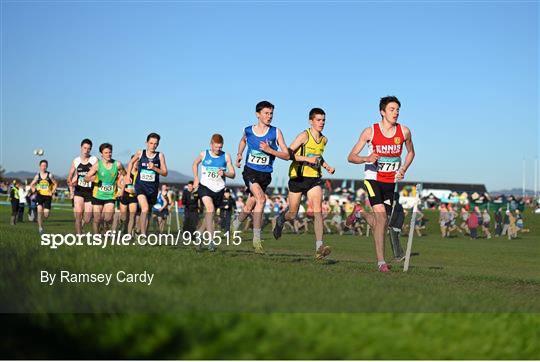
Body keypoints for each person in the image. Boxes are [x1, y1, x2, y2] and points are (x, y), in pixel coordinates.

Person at [346, 96, 415, 272]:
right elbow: (351, 157)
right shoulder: (370, 132)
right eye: (392, 109)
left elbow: (411, 153)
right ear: (382, 112)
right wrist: (366, 158)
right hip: (373, 178)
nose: (396, 113)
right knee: (382, 218)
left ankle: (360, 214)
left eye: (398, 109)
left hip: (390, 181)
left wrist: (403, 169)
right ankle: (381, 263)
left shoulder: (404, 131)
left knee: (381, 223)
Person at [273, 107, 336, 260]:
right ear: (311, 121)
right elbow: (288, 154)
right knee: (292, 213)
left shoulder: (324, 140)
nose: (321, 123)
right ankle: (281, 219)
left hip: (314, 179)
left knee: (317, 211)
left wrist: (326, 166)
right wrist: (307, 159)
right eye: (318, 120)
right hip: (298, 178)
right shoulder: (304, 136)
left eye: (323, 120)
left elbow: (318, 156)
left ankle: (319, 247)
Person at [233, 101, 289, 253]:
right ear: (258, 114)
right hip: (250, 171)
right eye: (266, 113)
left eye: (271, 113)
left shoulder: (276, 132)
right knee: (261, 199)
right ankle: (256, 240)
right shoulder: (248, 130)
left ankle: (236, 223)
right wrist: (239, 154)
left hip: (265, 174)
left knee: (249, 205)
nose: (269, 116)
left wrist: (270, 150)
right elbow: (243, 140)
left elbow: (286, 154)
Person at [192, 134, 235, 251]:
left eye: (220, 147)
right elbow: (195, 163)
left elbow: (233, 174)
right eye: (216, 147)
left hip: (219, 190)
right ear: (211, 145)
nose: (218, 149)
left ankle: (199, 234)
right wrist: (196, 178)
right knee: (210, 209)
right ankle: (211, 241)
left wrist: (225, 173)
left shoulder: (226, 156)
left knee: (210, 216)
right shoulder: (204, 154)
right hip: (205, 187)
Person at [126, 133, 168, 237]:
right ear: (146, 143)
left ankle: (141, 231)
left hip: (152, 189)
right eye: (151, 143)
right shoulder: (140, 153)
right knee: (144, 208)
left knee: (148, 213)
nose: (153, 145)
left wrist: (154, 168)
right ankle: (143, 236)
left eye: (156, 144)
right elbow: (131, 163)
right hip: (140, 187)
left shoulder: (160, 156)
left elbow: (165, 173)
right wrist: (127, 176)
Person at [84, 143, 126, 234]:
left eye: (110, 152)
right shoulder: (97, 165)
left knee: (108, 218)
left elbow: (125, 175)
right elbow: (86, 178)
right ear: (101, 154)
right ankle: (96, 237)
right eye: (106, 153)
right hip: (97, 195)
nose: (108, 154)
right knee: (97, 219)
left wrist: (121, 187)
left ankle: (104, 225)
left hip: (110, 195)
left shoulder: (117, 164)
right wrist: (94, 179)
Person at [67, 138, 98, 234]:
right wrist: (71, 182)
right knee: (78, 215)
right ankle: (78, 236)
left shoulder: (94, 160)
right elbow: (70, 176)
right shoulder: (76, 161)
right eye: (85, 148)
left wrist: (92, 179)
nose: (86, 150)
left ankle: (81, 228)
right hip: (79, 191)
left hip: (90, 191)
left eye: (88, 148)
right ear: (81, 148)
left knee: (87, 219)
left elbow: (99, 174)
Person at [30, 160, 58, 233]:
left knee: (46, 215)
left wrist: (52, 192)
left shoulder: (50, 175)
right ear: (40, 166)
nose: (43, 167)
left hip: (48, 196)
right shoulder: (37, 176)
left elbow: (55, 184)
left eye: (45, 166)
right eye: (42, 165)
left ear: (47, 166)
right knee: (39, 210)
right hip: (39, 195)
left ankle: (42, 219)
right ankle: (40, 228)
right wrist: (33, 190)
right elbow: (32, 184)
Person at [119, 156, 139, 235]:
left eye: (138, 161)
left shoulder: (140, 173)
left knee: (132, 216)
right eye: (135, 161)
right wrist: (127, 190)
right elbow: (119, 183)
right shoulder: (127, 171)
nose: (137, 163)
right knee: (124, 217)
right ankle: (122, 227)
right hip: (125, 195)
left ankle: (128, 234)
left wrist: (136, 190)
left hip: (134, 197)